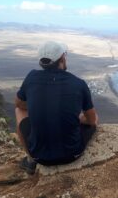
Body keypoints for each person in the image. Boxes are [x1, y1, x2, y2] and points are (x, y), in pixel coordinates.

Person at [15, 41, 98, 174]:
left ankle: (31, 161)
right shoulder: (78, 83)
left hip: (39, 156)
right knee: (92, 121)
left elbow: (19, 104)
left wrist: (39, 109)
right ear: (63, 58)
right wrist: (78, 118)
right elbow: (92, 120)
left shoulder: (31, 77)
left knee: (19, 111)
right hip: (72, 155)